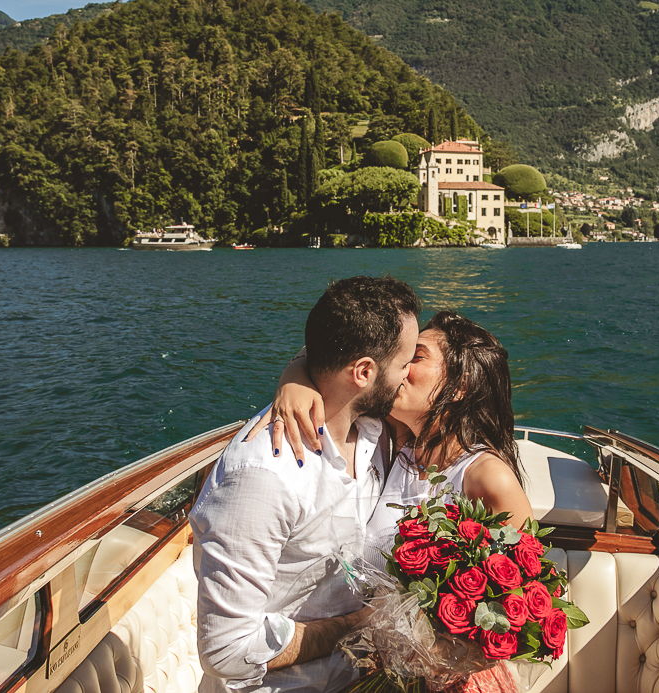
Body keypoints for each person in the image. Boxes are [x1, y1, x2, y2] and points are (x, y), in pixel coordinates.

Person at [190, 276, 421, 693]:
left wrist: (295, 372)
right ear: (364, 372)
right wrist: (357, 626)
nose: (408, 377)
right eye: (405, 364)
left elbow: (323, 351)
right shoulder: (264, 478)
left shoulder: (370, 430)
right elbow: (226, 652)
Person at [257, 309, 533, 564]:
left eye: (416, 357)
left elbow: (525, 584)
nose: (398, 366)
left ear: (461, 386)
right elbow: (339, 346)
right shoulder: (405, 439)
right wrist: (294, 378)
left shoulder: (488, 479)